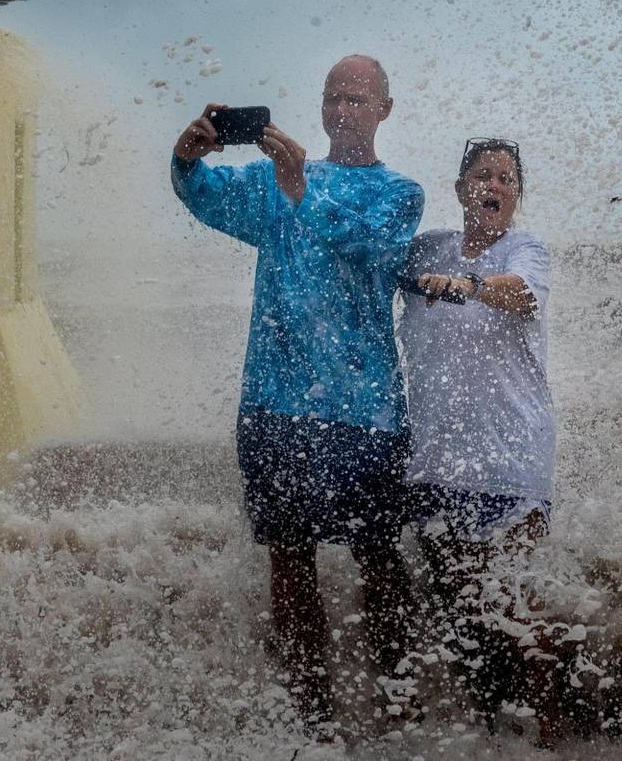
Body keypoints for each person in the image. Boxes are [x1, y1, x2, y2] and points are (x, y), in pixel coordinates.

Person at [170, 55, 423, 733]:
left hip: (365, 413)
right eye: (332, 97)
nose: (343, 110)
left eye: (357, 99)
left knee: (379, 559)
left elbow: (368, 244)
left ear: (384, 110)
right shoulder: (267, 182)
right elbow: (204, 197)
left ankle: (400, 714)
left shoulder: (401, 194)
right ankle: (314, 721)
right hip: (274, 405)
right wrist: (186, 160)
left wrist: (301, 184)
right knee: (289, 561)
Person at [396, 137, 559, 743]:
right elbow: (367, 265)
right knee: (461, 609)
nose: (494, 186)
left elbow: (521, 293)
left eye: (506, 179)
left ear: (517, 197)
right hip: (436, 459)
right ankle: (491, 734)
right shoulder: (427, 248)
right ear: (460, 186)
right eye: (483, 175)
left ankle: (547, 733)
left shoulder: (524, 249)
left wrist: (467, 284)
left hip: (510, 457)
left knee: (513, 607)